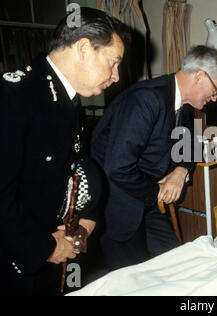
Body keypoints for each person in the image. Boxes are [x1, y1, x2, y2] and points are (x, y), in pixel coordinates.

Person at [0, 8, 130, 296]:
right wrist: (44, 246)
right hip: (14, 262)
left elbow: (73, 168)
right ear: (83, 48)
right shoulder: (15, 97)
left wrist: (86, 218)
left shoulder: (65, 100)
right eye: (113, 63)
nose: (116, 76)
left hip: (47, 253)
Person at [90, 45, 217, 271]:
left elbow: (190, 146)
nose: (215, 99)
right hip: (118, 207)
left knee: (180, 262)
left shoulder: (182, 105)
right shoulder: (146, 99)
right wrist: (156, 192)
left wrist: (181, 171)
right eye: (215, 90)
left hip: (145, 201)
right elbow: (117, 168)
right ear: (199, 76)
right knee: (137, 279)